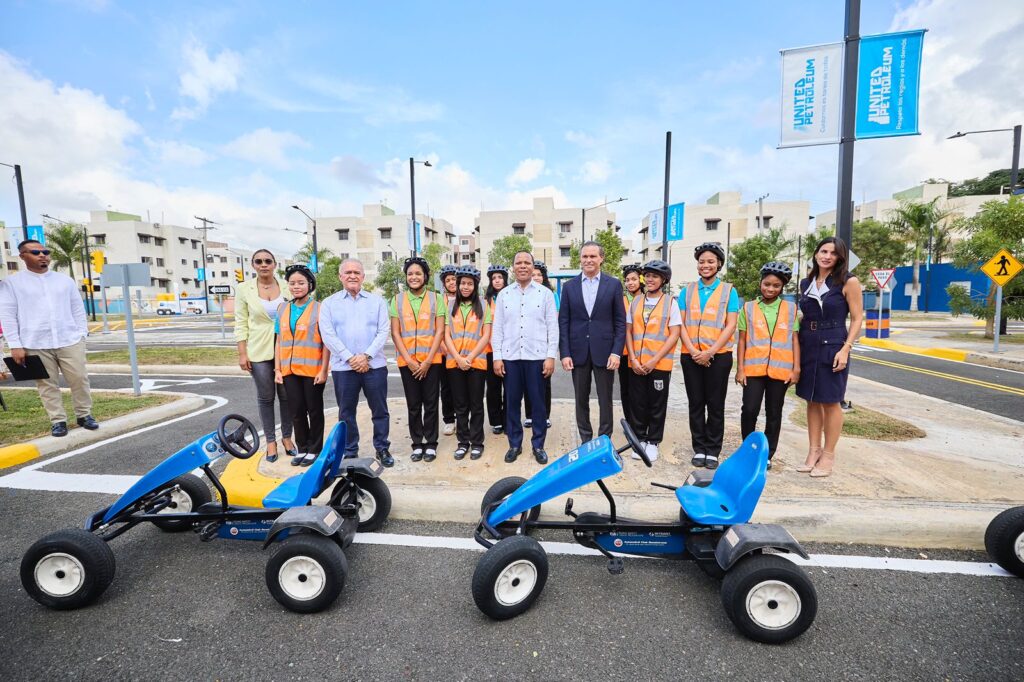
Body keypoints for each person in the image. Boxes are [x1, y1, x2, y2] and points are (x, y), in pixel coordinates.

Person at [0, 239, 97, 437]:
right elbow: (7, 315)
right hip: (34, 342)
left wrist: (82, 333)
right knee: (46, 384)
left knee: (79, 378)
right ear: (23, 256)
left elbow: (78, 309)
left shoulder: (65, 281)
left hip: (69, 339)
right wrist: (15, 345)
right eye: (36, 252)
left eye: (45, 251)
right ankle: (58, 420)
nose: (42, 255)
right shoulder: (12, 283)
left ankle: (84, 415)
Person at [796, 237, 864, 478]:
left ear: (840, 258)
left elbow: (857, 318)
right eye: (823, 251)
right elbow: (805, 315)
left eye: (833, 253)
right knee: (811, 400)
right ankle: (813, 450)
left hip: (833, 343)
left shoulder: (848, 281)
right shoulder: (806, 283)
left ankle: (828, 455)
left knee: (831, 401)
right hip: (808, 343)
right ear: (816, 254)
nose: (827, 256)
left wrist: (846, 348)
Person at [319, 258, 393, 467]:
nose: (352, 276)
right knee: (346, 412)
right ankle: (350, 450)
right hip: (344, 367)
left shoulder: (377, 302)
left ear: (363, 276)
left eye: (356, 272)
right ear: (340, 276)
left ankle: (382, 447)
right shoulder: (329, 303)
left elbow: (383, 331)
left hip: (374, 366)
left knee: (380, 410)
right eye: (348, 272)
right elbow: (328, 334)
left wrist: (366, 356)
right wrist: (350, 358)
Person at [491, 250, 559, 464]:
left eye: (526, 263)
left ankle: (538, 445)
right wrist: (497, 357)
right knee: (511, 403)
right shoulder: (504, 295)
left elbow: (552, 327)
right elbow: (497, 328)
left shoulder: (545, 294)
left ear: (532, 266)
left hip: (537, 357)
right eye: (518, 263)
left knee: (538, 404)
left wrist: (550, 356)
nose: (522, 266)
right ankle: (514, 444)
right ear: (513, 267)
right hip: (510, 358)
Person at [679, 242, 740, 470]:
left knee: (715, 404)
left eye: (711, 261)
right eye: (702, 261)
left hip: (719, 357)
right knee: (696, 403)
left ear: (719, 264)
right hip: (691, 355)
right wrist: (694, 351)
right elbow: (680, 324)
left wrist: (710, 352)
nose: (706, 265)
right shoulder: (687, 291)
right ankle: (699, 447)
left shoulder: (729, 291)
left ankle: (713, 450)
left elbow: (731, 324)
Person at [558, 241, 627, 443]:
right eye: (585, 256)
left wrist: (616, 352)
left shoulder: (613, 285)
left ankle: (604, 439)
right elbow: (564, 322)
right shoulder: (569, 287)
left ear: (601, 258)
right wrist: (565, 353)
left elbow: (620, 322)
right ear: (580, 259)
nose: (588, 260)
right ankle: (586, 440)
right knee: (581, 399)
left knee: (606, 399)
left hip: (605, 352)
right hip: (577, 351)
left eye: (593, 256)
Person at [735, 262, 800, 471]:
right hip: (753, 370)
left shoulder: (791, 309)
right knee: (749, 410)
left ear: (782, 287)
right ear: (760, 283)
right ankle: (748, 449)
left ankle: (768, 454)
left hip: (780, 371)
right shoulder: (748, 308)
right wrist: (740, 369)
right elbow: (742, 340)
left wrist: (796, 369)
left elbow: (794, 340)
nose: (770, 289)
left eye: (776, 286)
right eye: (767, 284)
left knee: (774, 412)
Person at [235, 249, 295, 462]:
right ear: (253, 265)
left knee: (287, 396)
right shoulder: (244, 289)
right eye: (258, 261)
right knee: (266, 396)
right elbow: (240, 322)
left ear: (274, 264)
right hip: (258, 350)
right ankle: (270, 442)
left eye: (268, 261)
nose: (263, 265)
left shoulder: (287, 286)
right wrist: (242, 353)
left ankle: (287, 437)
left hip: (286, 349)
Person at [274, 265, 330, 466]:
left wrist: (324, 370)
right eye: (292, 283)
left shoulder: (320, 309)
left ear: (310, 285)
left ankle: (315, 449)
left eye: (301, 283)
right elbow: (279, 340)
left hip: (312, 370)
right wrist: (277, 369)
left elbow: (326, 343)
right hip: (289, 370)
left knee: (314, 410)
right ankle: (303, 447)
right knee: (296, 411)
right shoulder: (282, 308)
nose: (296, 287)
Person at [390, 256, 445, 463]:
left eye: (418, 273)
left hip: (431, 362)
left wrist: (427, 361)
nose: (414, 277)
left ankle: (431, 443)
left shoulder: (436, 299)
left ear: (426, 276)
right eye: (410, 274)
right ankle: (417, 443)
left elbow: (439, 331)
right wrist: (409, 360)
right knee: (413, 405)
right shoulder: (397, 300)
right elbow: (395, 333)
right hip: (408, 363)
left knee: (431, 404)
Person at [625, 260, 680, 463]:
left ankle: (653, 441)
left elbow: (674, 334)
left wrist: (654, 360)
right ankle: (639, 439)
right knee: (637, 403)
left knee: (657, 404)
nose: (650, 279)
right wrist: (633, 358)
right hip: (636, 364)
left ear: (663, 280)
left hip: (659, 365)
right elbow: (628, 331)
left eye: (655, 276)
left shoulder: (670, 303)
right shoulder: (636, 302)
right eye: (647, 275)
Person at [444, 266, 492, 460]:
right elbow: (446, 335)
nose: (465, 287)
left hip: (476, 363)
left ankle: (477, 442)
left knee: (476, 405)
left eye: (469, 284)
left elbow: (486, 335)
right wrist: (458, 358)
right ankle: (463, 442)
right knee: (460, 405)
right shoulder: (449, 305)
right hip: (455, 364)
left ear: (475, 286)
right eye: (462, 283)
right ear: (457, 285)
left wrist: (469, 358)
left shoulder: (484, 305)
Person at [524, 260, 554, 429]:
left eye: (539, 275)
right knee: (527, 382)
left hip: (544, 344)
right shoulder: (524, 294)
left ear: (544, 277)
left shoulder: (550, 295)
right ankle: (529, 415)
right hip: (526, 345)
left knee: (544, 382)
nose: (535, 277)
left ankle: (544, 415)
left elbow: (553, 322)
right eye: (533, 274)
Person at [619, 263, 644, 432]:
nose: (630, 283)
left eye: (634, 279)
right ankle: (629, 422)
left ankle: (640, 422)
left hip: (642, 352)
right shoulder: (621, 299)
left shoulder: (648, 299)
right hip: (624, 352)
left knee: (639, 391)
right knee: (626, 389)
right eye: (627, 280)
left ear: (641, 280)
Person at [484, 264, 508, 434]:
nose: (497, 280)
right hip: (490, 350)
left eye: (500, 277)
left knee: (510, 388)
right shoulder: (485, 301)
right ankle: (496, 421)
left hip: (509, 350)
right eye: (494, 278)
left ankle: (508, 419)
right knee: (493, 388)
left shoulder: (512, 297)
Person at [437, 263, 459, 436]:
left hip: (462, 351)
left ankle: (462, 417)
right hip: (444, 352)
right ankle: (449, 420)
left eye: (454, 279)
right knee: (446, 388)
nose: (452, 282)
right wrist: (443, 346)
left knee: (462, 387)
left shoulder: (466, 298)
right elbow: (435, 327)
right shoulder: (439, 300)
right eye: (448, 280)